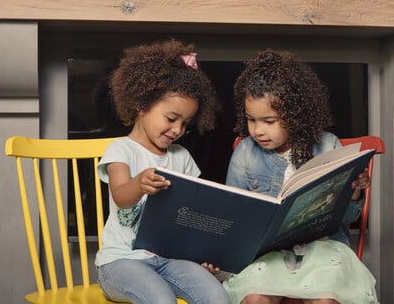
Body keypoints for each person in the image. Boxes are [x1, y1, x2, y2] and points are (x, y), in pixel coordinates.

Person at [222, 50, 379, 304]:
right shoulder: (245, 153)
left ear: (295, 116)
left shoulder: (329, 145)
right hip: (267, 254)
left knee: (326, 299)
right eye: (251, 120)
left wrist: (356, 190)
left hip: (322, 248)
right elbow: (233, 216)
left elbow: (348, 218)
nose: (258, 130)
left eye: (269, 121)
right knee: (254, 298)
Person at [94, 39, 229, 304]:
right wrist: (139, 183)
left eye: (185, 123)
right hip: (121, 262)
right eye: (171, 118)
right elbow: (121, 196)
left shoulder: (183, 157)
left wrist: (206, 255)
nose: (177, 130)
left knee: (218, 296)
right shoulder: (121, 149)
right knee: (161, 300)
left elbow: (194, 215)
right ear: (142, 105)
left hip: (170, 261)